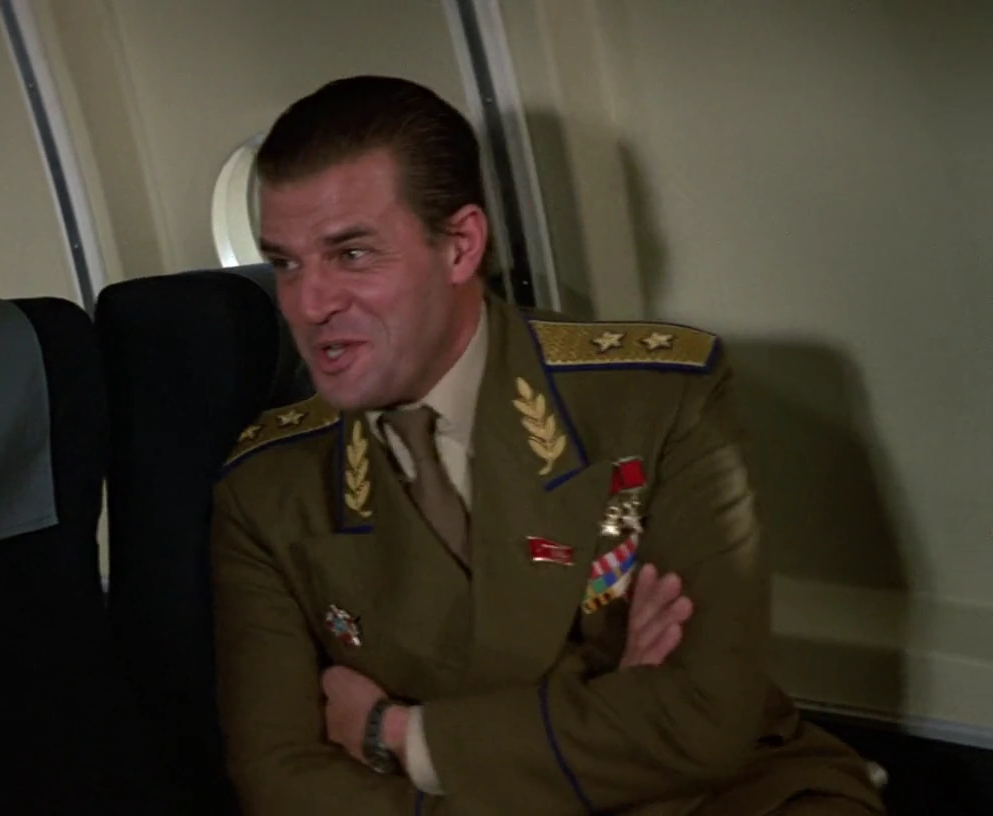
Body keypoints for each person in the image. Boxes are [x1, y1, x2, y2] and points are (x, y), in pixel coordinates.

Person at [209, 76, 883, 815]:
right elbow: (281, 778)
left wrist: (394, 734)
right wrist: (608, 705)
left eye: (352, 254)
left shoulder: (656, 401)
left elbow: (701, 719)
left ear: (460, 246)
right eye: (286, 263)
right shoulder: (268, 485)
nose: (309, 304)